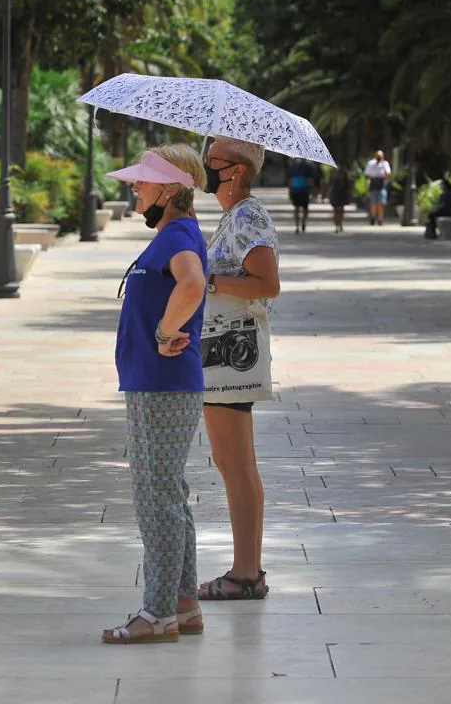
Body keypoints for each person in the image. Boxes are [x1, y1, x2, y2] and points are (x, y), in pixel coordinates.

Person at [101, 145, 209, 645]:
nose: (134, 187)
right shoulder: (171, 233)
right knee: (169, 495)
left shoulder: (180, 234)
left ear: (169, 190)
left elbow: (192, 284)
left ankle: (158, 613)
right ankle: (184, 605)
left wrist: (166, 333)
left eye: (143, 181)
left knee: (155, 499)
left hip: (162, 386)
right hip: (155, 383)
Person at [199, 135, 280, 600]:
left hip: (232, 354)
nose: (204, 167)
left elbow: (267, 283)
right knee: (235, 463)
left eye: (211, 160)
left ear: (235, 170)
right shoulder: (234, 217)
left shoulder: (248, 216)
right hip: (224, 351)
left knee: (235, 464)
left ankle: (245, 572)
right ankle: (247, 568)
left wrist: (207, 279)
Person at [288, 158, 320, 233]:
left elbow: (290, 179)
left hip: (297, 188)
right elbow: (311, 180)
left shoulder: (295, 166)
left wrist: (290, 190)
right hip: (303, 189)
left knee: (297, 208)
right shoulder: (308, 166)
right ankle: (301, 223)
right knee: (302, 208)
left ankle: (298, 225)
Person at [363, 150, 391, 226]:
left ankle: (380, 219)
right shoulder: (371, 163)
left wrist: (384, 173)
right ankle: (372, 217)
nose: (379, 157)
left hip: (381, 185)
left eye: (380, 156)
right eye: (378, 156)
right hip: (373, 184)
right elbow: (366, 174)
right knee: (373, 203)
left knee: (381, 203)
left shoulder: (385, 164)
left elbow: (388, 173)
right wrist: (366, 183)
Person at [328, 167, 353, 233]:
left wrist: (349, 196)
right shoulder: (333, 178)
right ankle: (337, 225)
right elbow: (329, 187)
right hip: (335, 195)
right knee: (336, 211)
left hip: (342, 195)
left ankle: (340, 224)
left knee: (341, 210)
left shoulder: (345, 179)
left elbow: (349, 188)